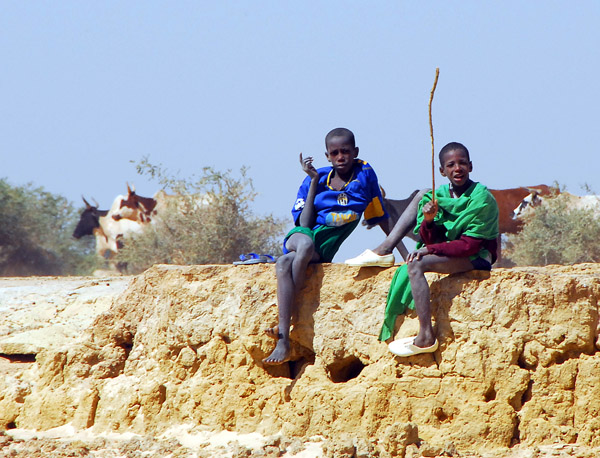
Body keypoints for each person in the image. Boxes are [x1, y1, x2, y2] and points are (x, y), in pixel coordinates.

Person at [263, 127, 389, 365]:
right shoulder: (318, 177)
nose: (340, 156)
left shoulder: (365, 175)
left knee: (282, 264)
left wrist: (400, 250)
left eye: (345, 151)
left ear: (355, 152)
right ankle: (285, 333)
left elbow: (380, 215)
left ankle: (283, 332)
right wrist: (313, 181)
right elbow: (305, 222)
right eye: (335, 153)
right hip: (301, 237)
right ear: (327, 156)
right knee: (304, 245)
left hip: (322, 249)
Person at [379, 142, 499, 357]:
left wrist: (429, 250)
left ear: (471, 166)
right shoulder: (437, 197)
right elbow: (430, 238)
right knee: (413, 262)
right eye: (451, 165)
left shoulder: (482, 199)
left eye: (462, 163)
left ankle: (425, 335)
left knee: (416, 263)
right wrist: (428, 220)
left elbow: (468, 245)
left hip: (476, 256)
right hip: (449, 252)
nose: (457, 168)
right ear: (442, 171)